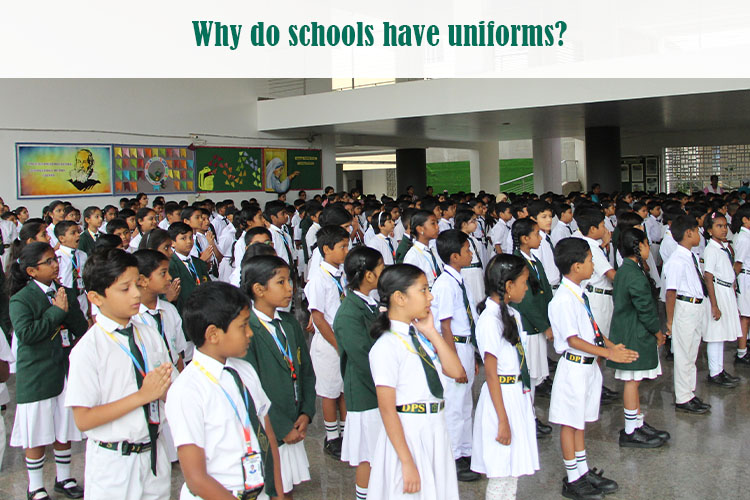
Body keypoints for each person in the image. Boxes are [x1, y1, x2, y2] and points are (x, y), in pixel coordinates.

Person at [65, 248, 174, 500]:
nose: (136, 293)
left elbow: (170, 385)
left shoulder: (148, 334)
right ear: (96, 297)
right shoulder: (88, 349)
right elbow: (84, 419)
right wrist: (143, 395)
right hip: (114, 462)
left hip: (154, 453)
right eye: (125, 289)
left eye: (137, 284)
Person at [165, 281, 283, 500]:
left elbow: (269, 437)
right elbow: (196, 478)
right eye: (243, 326)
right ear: (213, 334)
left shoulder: (245, 371)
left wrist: (277, 494)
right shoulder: (187, 391)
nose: (250, 333)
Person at [548, 237, 638, 500]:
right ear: (576, 266)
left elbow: (593, 331)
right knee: (569, 423)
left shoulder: (580, 292)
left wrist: (612, 347)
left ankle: (583, 470)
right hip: (574, 368)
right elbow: (574, 340)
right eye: (590, 261)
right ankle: (572, 479)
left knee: (580, 423)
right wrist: (608, 353)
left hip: (587, 368)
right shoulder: (563, 299)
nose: (593, 266)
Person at [367, 264, 466, 500]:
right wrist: (407, 462)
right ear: (400, 298)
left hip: (435, 430)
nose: (430, 296)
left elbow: (456, 371)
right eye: (423, 290)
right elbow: (387, 409)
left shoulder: (420, 335)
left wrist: (432, 332)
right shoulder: (386, 346)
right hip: (409, 434)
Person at [8, 242, 88, 500]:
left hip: (63, 367)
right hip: (37, 372)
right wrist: (56, 311)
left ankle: (64, 478)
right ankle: (35, 485)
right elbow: (27, 334)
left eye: (55, 259)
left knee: (62, 425)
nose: (55, 264)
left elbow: (79, 327)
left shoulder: (62, 290)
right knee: (38, 429)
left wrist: (68, 309)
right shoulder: (21, 298)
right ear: (32, 270)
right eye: (49, 261)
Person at [241, 255, 317, 499]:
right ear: (259, 290)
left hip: (294, 420)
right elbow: (252, 387)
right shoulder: (247, 329)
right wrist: (282, 426)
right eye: (281, 282)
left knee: (287, 486)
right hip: (271, 427)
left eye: (290, 281)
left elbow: (305, 370)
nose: (290, 288)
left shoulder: (289, 324)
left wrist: (306, 412)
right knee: (272, 488)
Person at [471, 254, 539, 500]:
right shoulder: (489, 321)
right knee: (500, 474)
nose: (526, 287)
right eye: (524, 282)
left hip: (515, 395)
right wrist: (502, 419)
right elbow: (491, 374)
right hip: (501, 400)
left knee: (512, 474)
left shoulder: (511, 314)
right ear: (509, 285)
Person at [608, 228, 669, 448]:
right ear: (639, 246)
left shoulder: (628, 269)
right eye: (645, 244)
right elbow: (644, 308)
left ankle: (637, 422)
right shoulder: (633, 273)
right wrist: (657, 331)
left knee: (634, 379)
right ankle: (630, 430)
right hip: (633, 333)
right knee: (632, 380)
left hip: (630, 329)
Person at [333, 247, 385, 500]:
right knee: (368, 455)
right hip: (367, 394)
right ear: (368, 276)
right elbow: (364, 358)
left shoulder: (371, 304)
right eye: (381, 268)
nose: (384, 272)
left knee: (380, 453)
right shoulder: (348, 313)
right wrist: (388, 387)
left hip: (380, 391)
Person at [431, 230, 481, 482]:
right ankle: (453, 456)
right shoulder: (445, 285)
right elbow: (446, 327)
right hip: (454, 348)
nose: (470, 253)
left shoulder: (460, 281)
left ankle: (466, 450)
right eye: (466, 249)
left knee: (465, 403)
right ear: (454, 256)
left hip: (465, 346)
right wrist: (456, 363)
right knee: (454, 405)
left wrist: (473, 356)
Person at [304, 225, 351, 458]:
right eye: (342, 247)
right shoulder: (318, 280)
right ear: (326, 249)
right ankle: (332, 437)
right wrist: (338, 345)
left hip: (342, 343)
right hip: (328, 344)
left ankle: (345, 432)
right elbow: (318, 318)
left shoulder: (341, 275)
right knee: (329, 392)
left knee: (342, 389)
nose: (346, 250)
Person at [663, 215, 712, 414]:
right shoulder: (676, 259)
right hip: (684, 308)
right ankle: (683, 398)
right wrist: (670, 320)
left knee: (692, 353)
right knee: (684, 354)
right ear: (688, 232)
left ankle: (689, 393)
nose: (700, 234)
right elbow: (671, 292)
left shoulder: (689, 256)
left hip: (695, 307)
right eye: (697, 231)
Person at [510, 218, 553, 437]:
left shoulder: (533, 260)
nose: (540, 237)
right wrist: (544, 325)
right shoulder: (518, 264)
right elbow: (525, 301)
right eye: (536, 233)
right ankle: (527, 417)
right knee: (529, 375)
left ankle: (530, 415)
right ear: (525, 239)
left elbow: (545, 292)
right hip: (529, 326)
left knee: (535, 375)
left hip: (538, 324)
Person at [702, 211, 742, 388]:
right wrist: (714, 304)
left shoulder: (723, 247)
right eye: (719, 226)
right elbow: (708, 276)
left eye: (725, 226)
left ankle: (719, 369)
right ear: (710, 230)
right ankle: (714, 372)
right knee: (715, 334)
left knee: (722, 334)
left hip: (726, 290)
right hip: (717, 291)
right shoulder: (711, 249)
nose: (724, 229)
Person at [168, 222, 209, 315]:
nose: (189, 241)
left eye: (191, 237)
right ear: (173, 243)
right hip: (183, 311)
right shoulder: (171, 265)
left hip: (202, 309)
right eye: (183, 238)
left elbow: (207, 283)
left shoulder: (198, 262)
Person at [54, 221, 88, 318]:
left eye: (78, 232)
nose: (78, 235)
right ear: (62, 238)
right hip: (66, 298)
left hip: (81, 296)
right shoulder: (56, 257)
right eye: (73, 233)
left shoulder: (82, 255)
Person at [403, 210, 442, 290]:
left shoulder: (433, 249)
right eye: (433, 223)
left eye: (437, 223)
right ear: (420, 229)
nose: (437, 227)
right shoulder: (412, 256)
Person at [731, 203, 750, 365]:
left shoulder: (746, 235)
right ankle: (741, 352)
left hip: (747, 278)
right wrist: (733, 283)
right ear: (745, 219)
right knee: (745, 316)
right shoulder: (743, 238)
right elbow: (738, 263)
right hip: (745, 278)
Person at [455, 209, 486, 307]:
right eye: (473, 221)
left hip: (477, 272)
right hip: (467, 273)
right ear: (464, 224)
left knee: (480, 296)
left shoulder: (474, 240)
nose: (476, 224)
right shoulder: (458, 239)